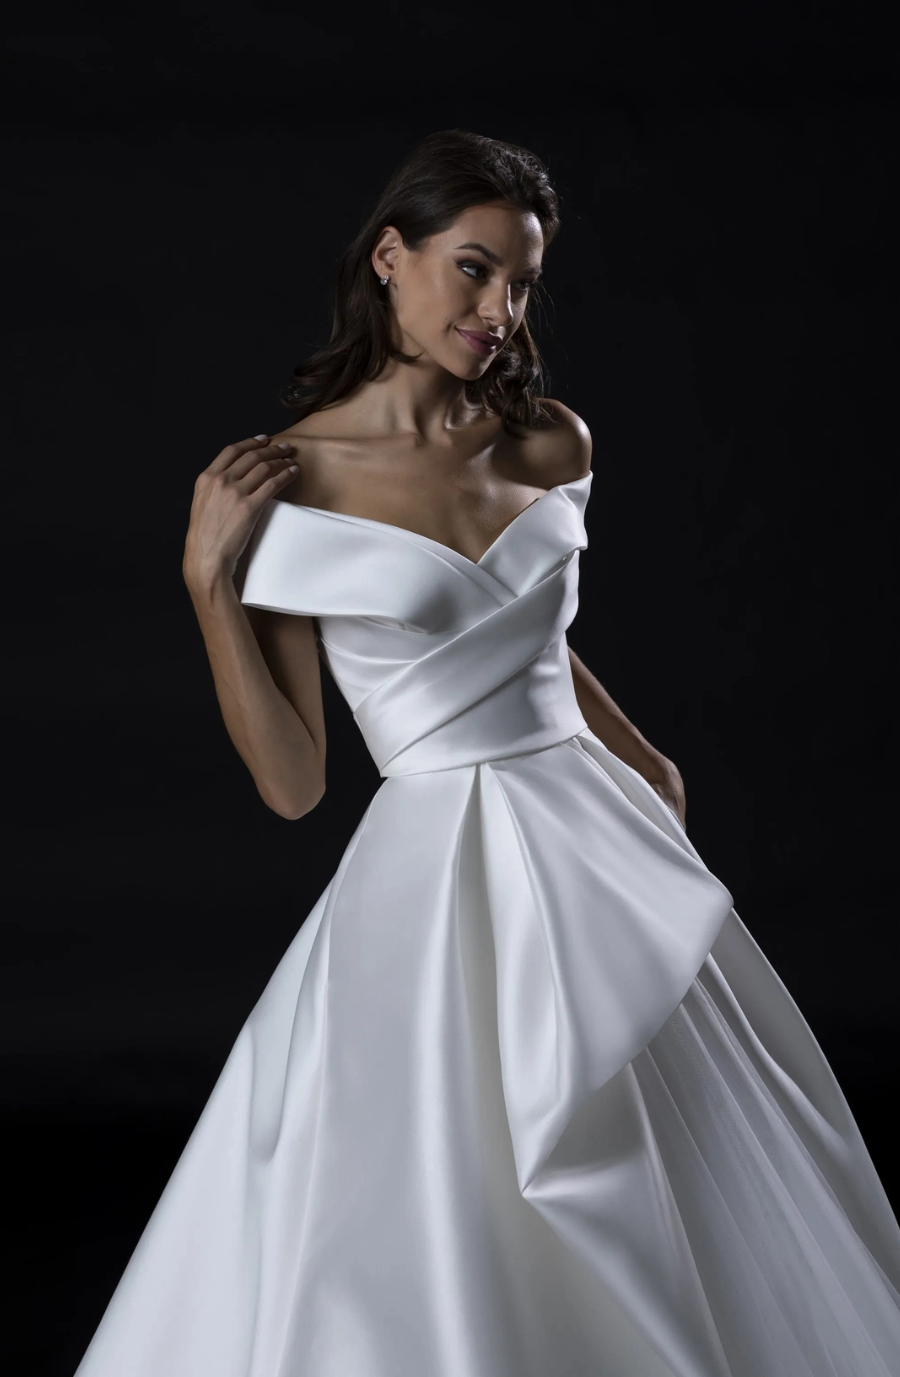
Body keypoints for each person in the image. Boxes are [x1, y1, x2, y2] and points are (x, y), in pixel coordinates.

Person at [75, 130, 900, 1377]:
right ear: (389, 259)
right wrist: (208, 585)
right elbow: (297, 787)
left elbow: (531, 638)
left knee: (661, 1173)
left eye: (519, 283)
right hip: (438, 872)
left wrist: (645, 761)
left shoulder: (549, 442)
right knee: (446, 1190)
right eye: (472, 270)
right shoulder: (289, 488)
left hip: (591, 841)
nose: (499, 312)